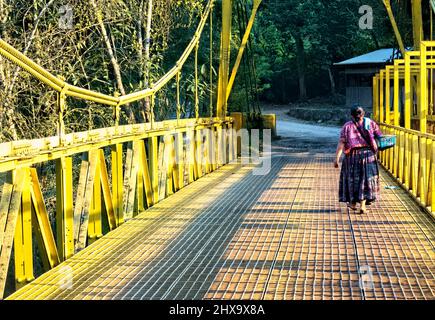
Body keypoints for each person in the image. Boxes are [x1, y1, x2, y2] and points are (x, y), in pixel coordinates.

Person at [334, 105, 383, 214]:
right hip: (368, 155)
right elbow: (380, 136)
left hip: (352, 156)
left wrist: (336, 158)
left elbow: (341, 143)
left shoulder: (347, 126)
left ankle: (352, 203)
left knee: (352, 179)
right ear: (363, 114)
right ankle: (363, 206)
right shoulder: (370, 124)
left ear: (351, 115)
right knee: (366, 179)